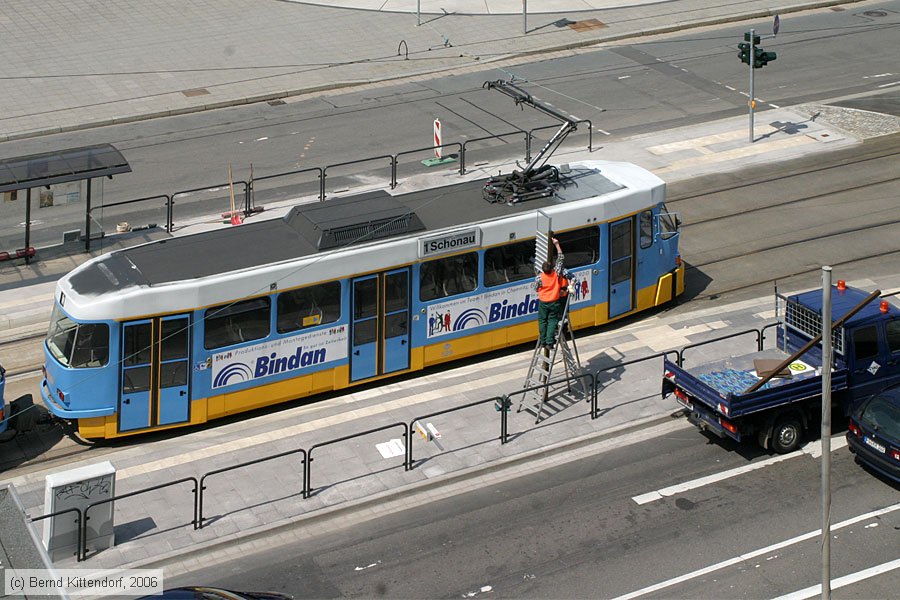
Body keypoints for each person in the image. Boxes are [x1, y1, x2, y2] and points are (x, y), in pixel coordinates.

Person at [535, 237, 571, 350]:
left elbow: (536, 288)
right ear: (552, 268)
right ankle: (550, 342)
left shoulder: (539, 277)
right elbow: (561, 258)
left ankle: (543, 341)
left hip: (543, 302)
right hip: (554, 302)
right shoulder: (556, 273)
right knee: (552, 321)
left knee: (542, 321)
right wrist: (556, 244)